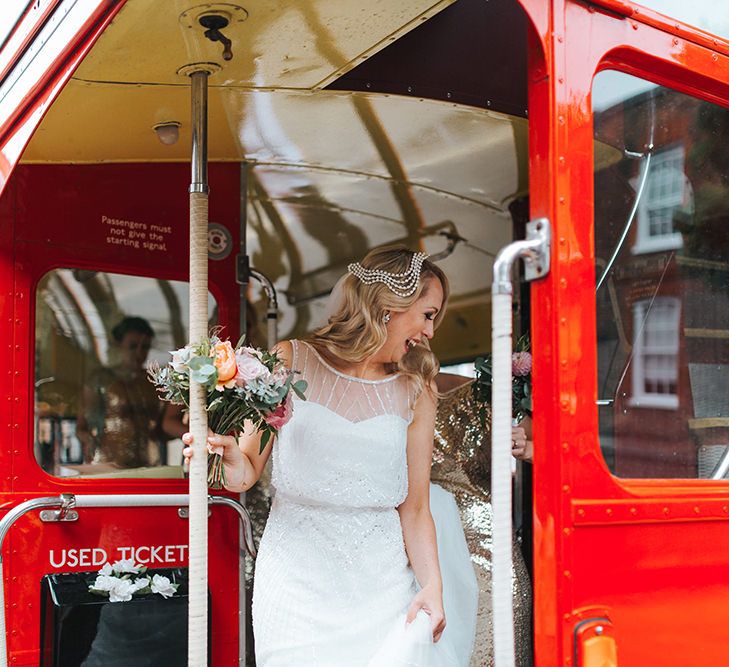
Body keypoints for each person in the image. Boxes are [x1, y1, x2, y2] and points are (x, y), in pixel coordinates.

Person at [184, 246, 470, 666]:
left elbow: (416, 506)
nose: (430, 331)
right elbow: (245, 474)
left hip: (382, 584)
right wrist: (227, 455)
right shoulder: (291, 360)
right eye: (427, 315)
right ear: (390, 305)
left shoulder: (416, 387)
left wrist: (432, 586)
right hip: (296, 584)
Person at [432, 373, 533, 666]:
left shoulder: (486, 395)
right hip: (431, 559)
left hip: (490, 558)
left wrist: (527, 446)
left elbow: (567, 452)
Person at [76, 316, 164, 469]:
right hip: (109, 462)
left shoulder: (153, 381)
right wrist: (93, 445)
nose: (139, 353)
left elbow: (161, 428)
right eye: (133, 346)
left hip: (148, 462)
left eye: (145, 347)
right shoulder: (100, 379)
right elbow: (82, 427)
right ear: (118, 346)